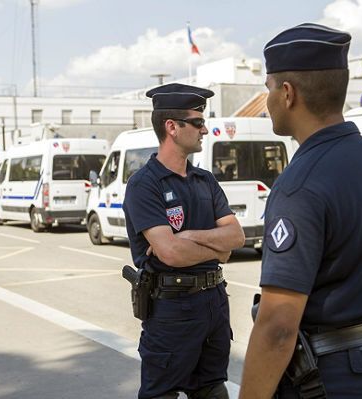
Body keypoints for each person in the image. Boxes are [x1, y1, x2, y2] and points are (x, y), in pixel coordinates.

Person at [239, 23, 362, 399]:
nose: (267, 102)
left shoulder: (301, 184)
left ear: (287, 93)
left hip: (321, 381)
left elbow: (278, 326)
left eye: (267, 90)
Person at [123, 83, 246, 399]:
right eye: (197, 122)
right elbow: (171, 253)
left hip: (214, 304)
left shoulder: (205, 180)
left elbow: (236, 238)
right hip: (172, 309)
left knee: (212, 389)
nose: (205, 129)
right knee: (161, 393)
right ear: (172, 127)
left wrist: (190, 236)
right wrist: (212, 246)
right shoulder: (144, 185)